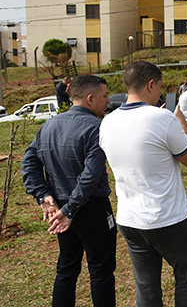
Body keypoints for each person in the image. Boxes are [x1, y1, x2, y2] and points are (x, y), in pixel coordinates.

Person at [99, 61, 187, 307]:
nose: (160, 93)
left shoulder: (107, 122)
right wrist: (181, 123)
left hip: (130, 220)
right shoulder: (162, 118)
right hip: (169, 219)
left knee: (146, 286)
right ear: (151, 84)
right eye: (160, 87)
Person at [21, 74, 116, 307]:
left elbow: (28, 162)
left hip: (61, 211)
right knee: (101, 272)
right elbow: (90, 175)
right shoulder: (97, 128)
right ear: (90, 99)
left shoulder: (48, 125)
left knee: (66, 269)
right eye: (105, 96)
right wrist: (69, 208)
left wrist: (44, 196)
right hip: (89, 210)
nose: (109, 100)